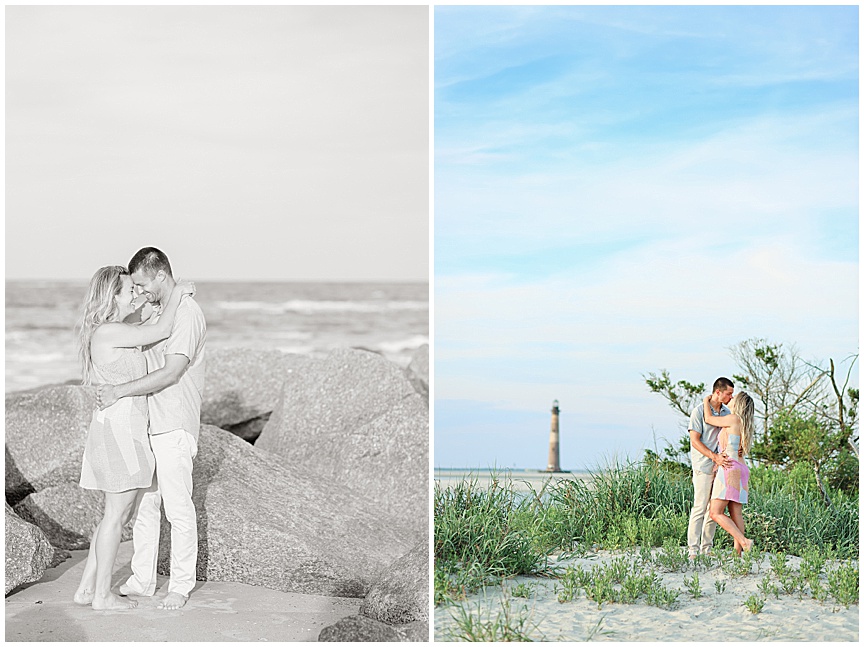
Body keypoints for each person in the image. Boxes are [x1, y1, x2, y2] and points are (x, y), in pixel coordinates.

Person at [73, 265, 194, 610]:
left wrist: (151, 306)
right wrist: (178, 293)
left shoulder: (117, 331)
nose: (136, 295)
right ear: (111, 297)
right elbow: (163, 328)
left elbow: (151, 331)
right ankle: (101, 597)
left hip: (119, 430)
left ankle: (85, 590)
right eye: (129, 291)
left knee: (114, 515)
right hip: (121, 433)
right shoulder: (110, 331)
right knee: (116, 516)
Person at [686, 377, 734, 559]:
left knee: (713, 510)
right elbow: (694, 441)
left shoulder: (727, 412)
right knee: (700, 506)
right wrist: (714, 457)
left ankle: (707, 549)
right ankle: (692, 550)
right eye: (728, 393)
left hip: (720, 467)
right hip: (703, 466)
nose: (731, 397)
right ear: (718, 392)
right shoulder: (698, 412)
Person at [703, 391, 755, 554]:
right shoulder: (745, 425)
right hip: (742, 469)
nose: (730, 399)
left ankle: (744, 542)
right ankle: (737, 555)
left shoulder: (733, 419)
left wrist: (706, 401)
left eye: (734, 398)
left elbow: (709, 419)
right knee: (736, 513)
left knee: (715, 512)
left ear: (738, 404)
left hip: (729, 467)